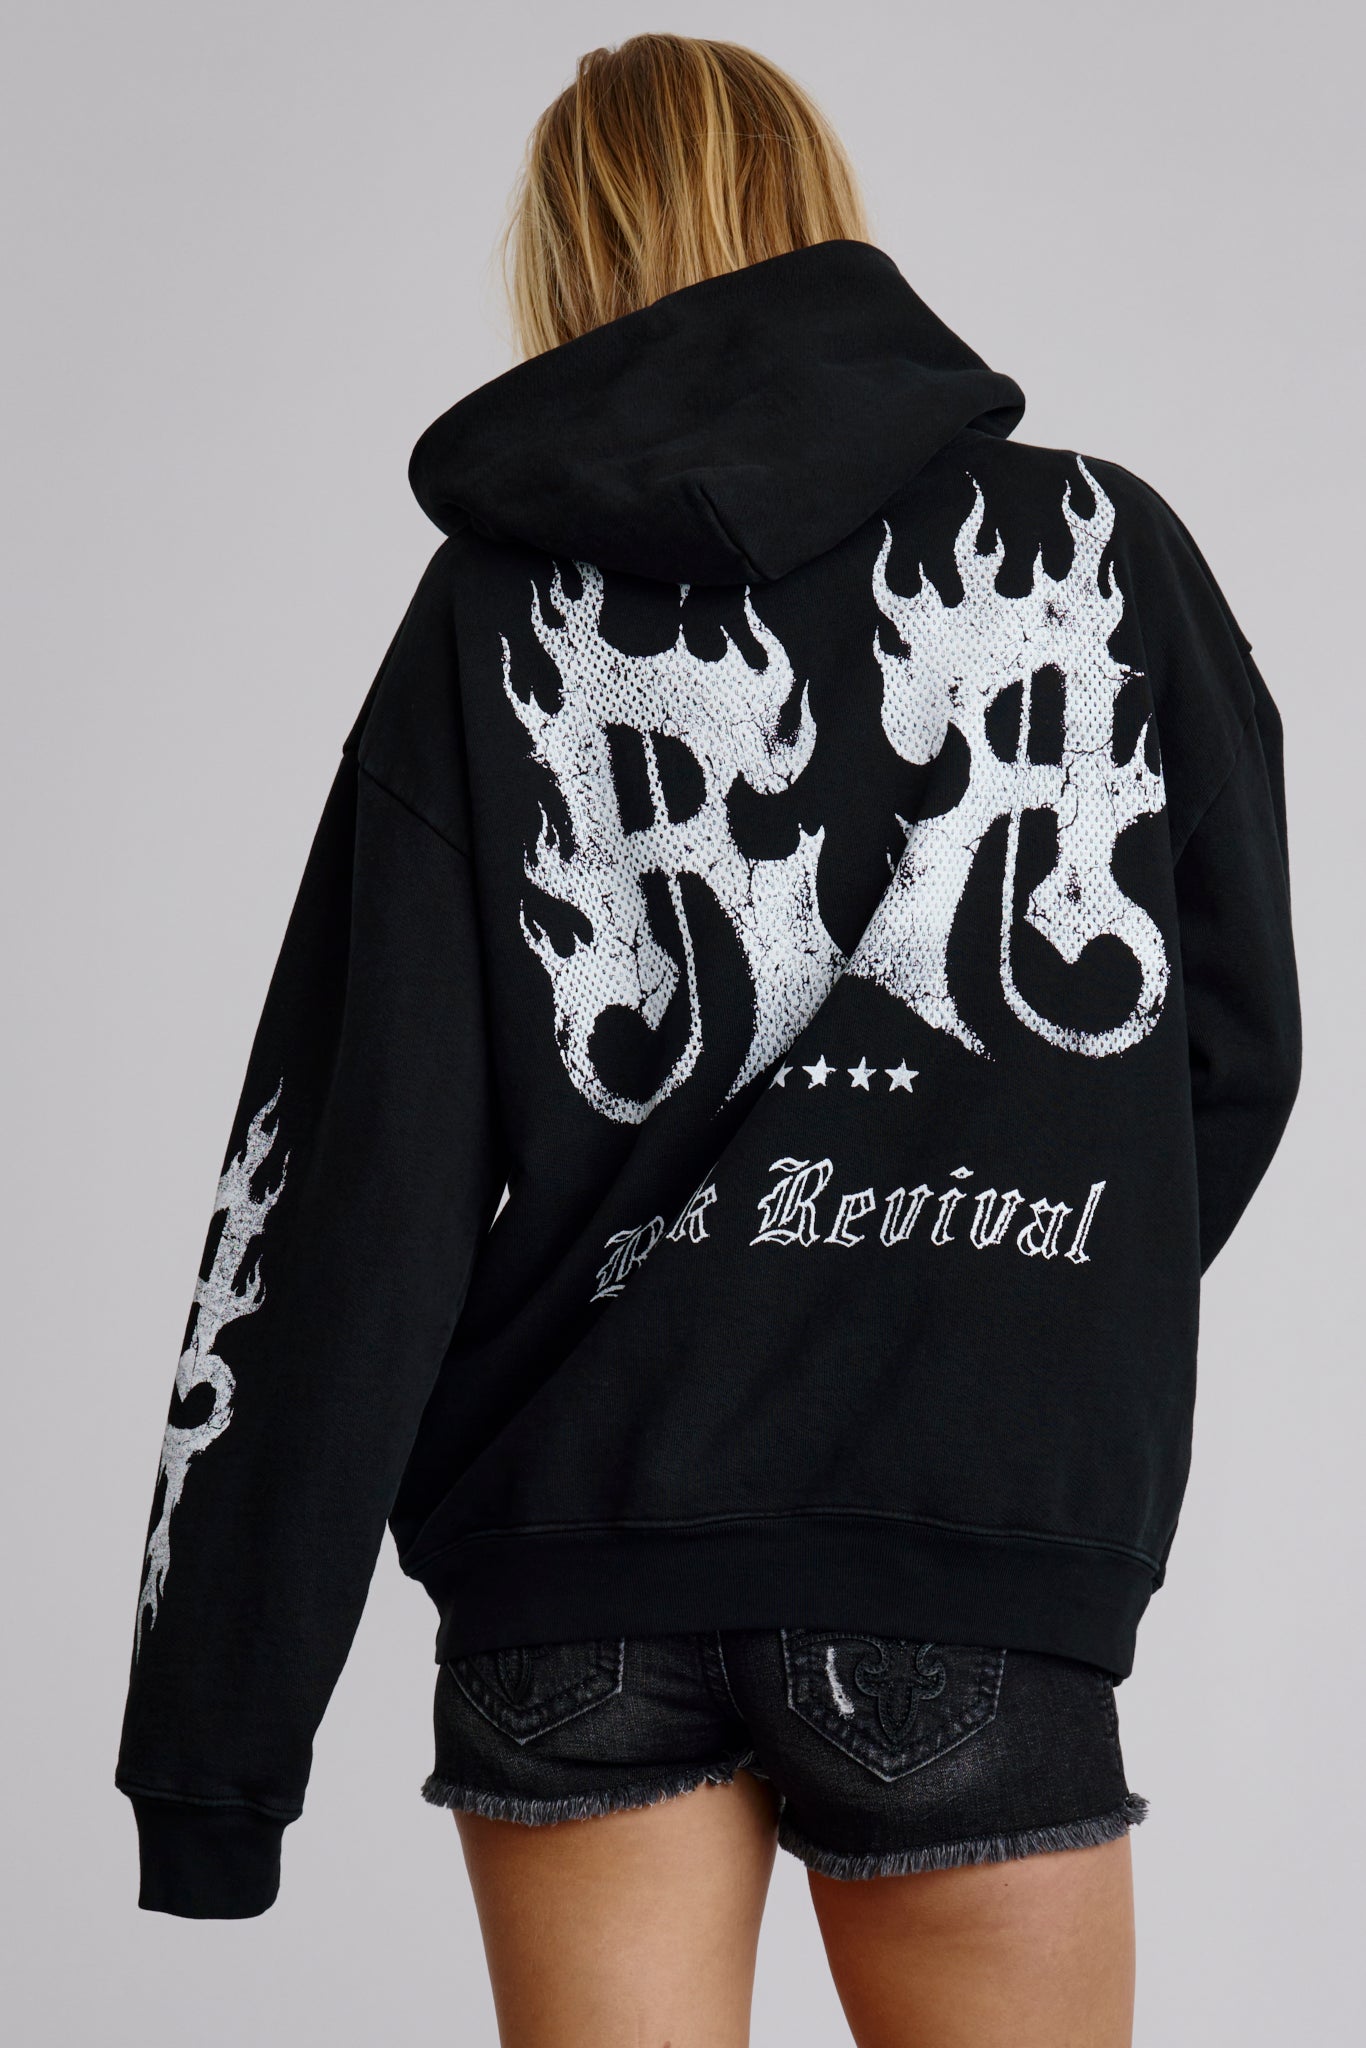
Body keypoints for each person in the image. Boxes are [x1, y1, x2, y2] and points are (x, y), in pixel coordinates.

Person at [115, 32, 1301, 2048]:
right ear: (820, 210)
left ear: (567, 261)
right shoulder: (1101, 560)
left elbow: (345, 1180)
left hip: (572, 1568)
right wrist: (989, 1329)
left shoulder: (487, 616)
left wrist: (211, 1759)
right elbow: (1229, 1051)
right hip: (953, 1570)